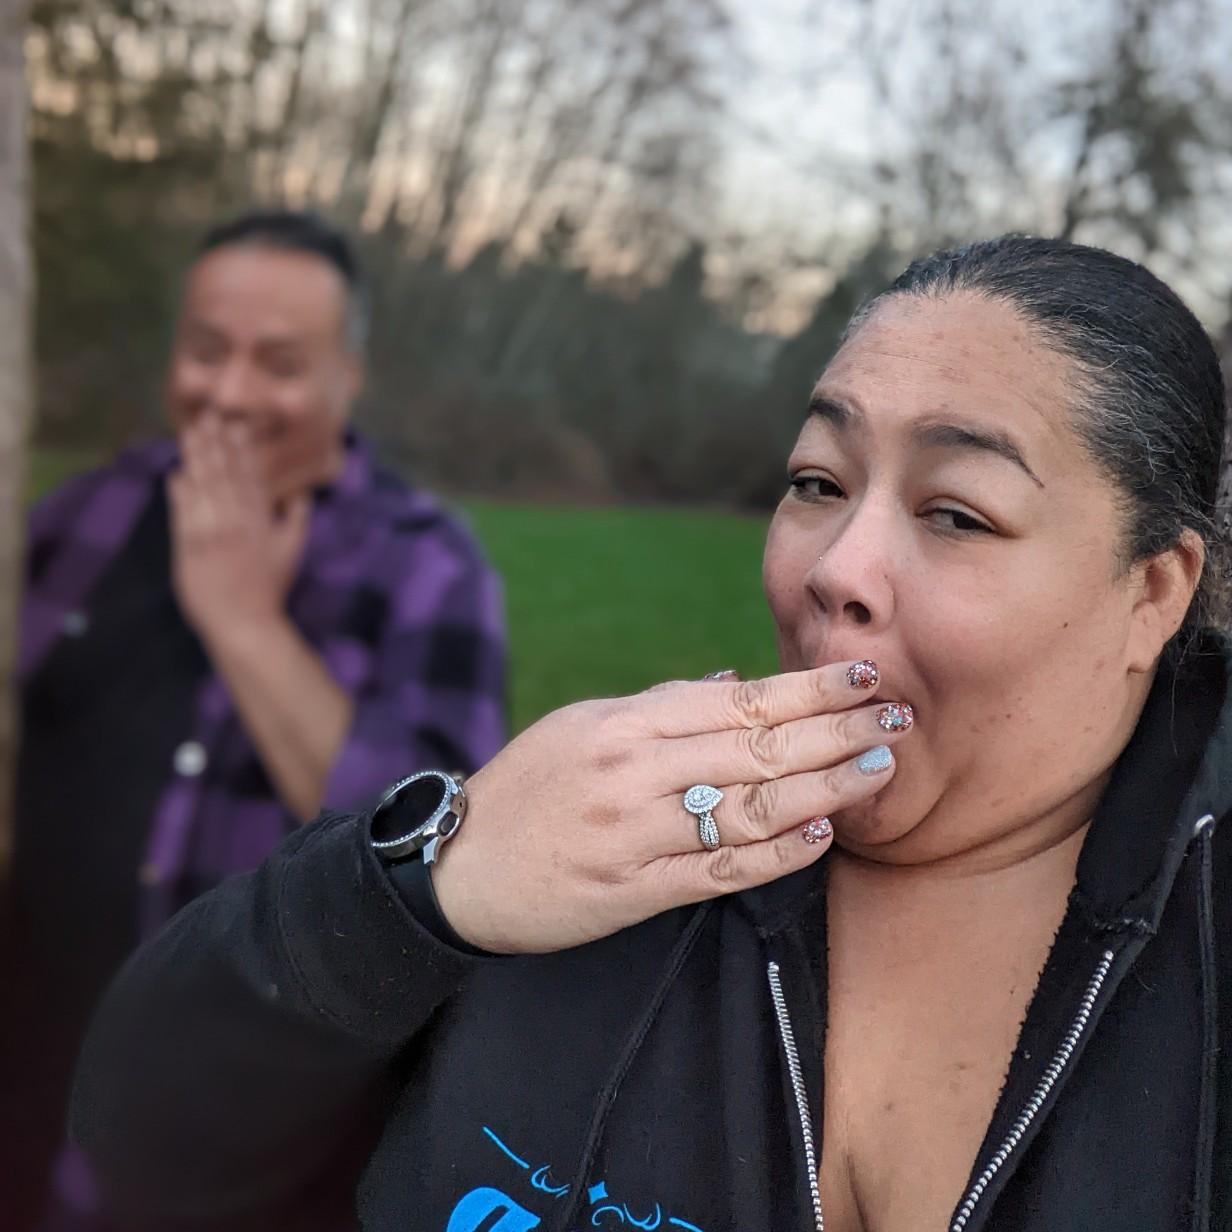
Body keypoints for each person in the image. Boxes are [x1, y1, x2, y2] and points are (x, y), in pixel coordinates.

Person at [70, 235, 1232, 1232]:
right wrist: (428, 885)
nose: (834, 569)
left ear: (1152, 591)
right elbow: (142, 1128)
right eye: (817, 481)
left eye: (956, 511)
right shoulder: (595, 863)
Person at [2, 210, 506, 1230]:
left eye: (278, 364)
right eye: (204, 351)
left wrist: (239, 616)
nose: (228, 394)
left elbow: (437, 863)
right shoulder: (85, 513)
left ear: (347, 376)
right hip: (28, 1097)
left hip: (242, 1163)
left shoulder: (428, 566)